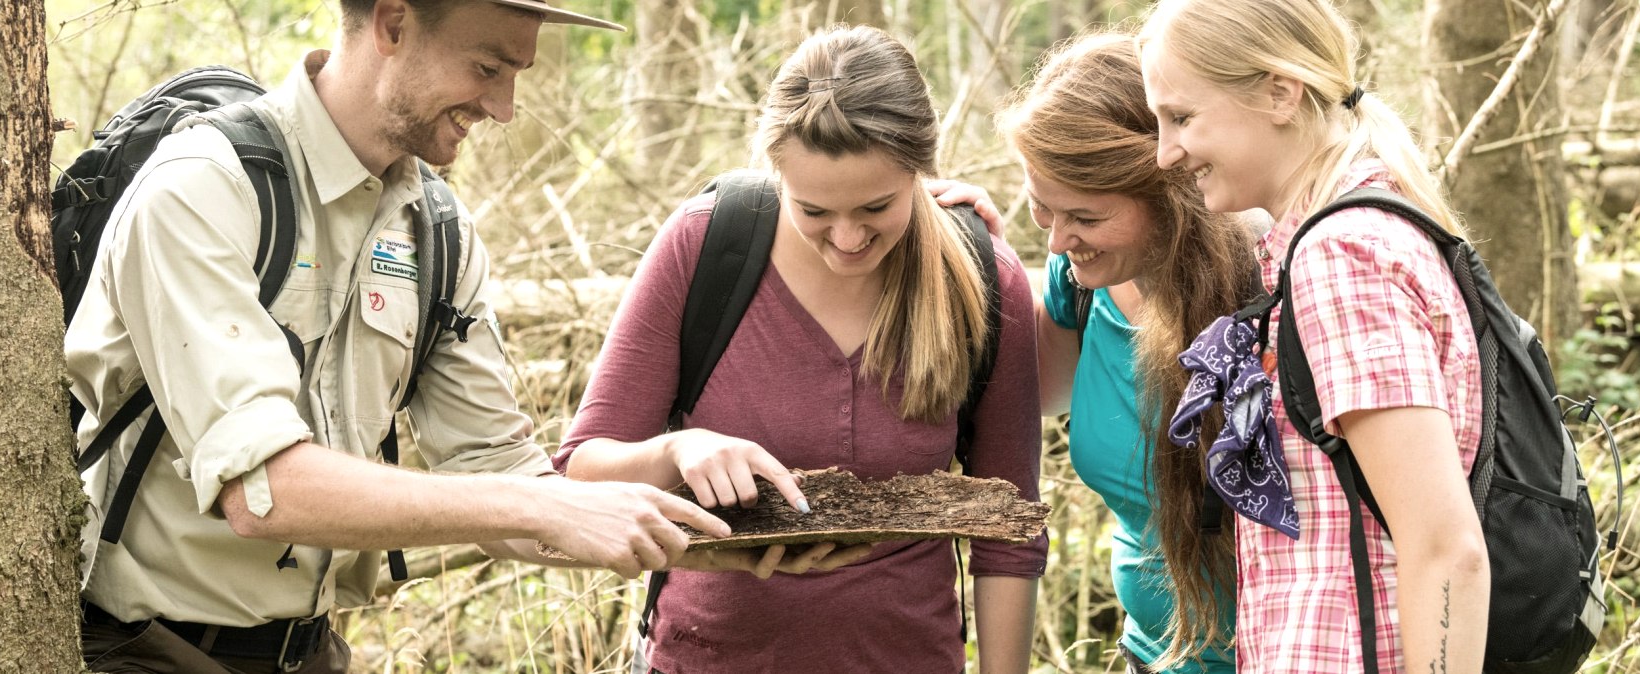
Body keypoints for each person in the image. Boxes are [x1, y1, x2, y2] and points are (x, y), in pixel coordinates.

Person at [65, 2, 731, 672]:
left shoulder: (437, 230)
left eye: (516, 74)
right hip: (142, 648)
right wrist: (539, 506)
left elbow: (499, 471)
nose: (503, 107)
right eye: (487, 67)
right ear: (391, 25)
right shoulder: (203, 189)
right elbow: (264, 491)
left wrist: (719, 532)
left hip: (312, 650)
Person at [554, 25, 1048, 674]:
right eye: (813, 211)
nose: (846, 238)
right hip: (704, 658)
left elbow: (1008, 531)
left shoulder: (983, 278)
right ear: (775, 174)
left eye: (876, 206)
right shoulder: (706, 248)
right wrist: (678, 449)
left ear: (921, 171)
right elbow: (578, 473)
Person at [1139, 1, 1490, 672]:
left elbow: (1445, 548)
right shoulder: (1324, 246)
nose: (1165, 152)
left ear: (1279, 92)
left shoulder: (1343, 256)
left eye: (1182, 117)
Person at [997, 32, 1259, 673]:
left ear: (1169, 195)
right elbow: (1028, 394)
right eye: (1041, 210)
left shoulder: (1271, 290)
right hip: (1151, 656)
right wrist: (974, 253)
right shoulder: (1082, 287)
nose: (1059, 242)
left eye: (1083, 216)